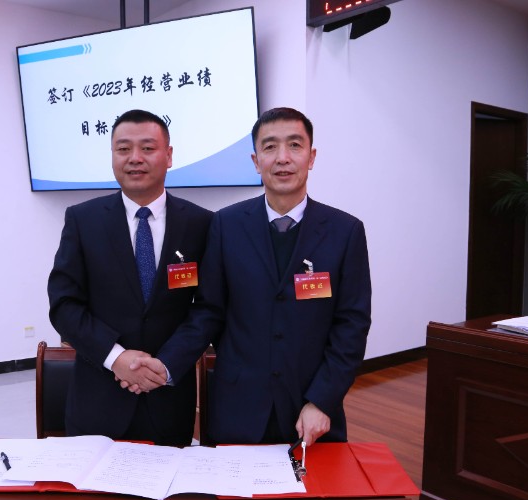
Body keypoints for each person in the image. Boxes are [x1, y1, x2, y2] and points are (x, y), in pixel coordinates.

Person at [126, 107, 372, 446]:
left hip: (310, 410)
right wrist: (165, 366)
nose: (282, 158)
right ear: (256, 161)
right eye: (270, 147)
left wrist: (322, 399)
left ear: (311, 157)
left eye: (295, 145)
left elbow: (351, 325)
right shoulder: (226, 225)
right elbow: (209, 311)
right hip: (237, 408)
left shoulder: (345, 232)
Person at [47, 109, 212, 446]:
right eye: (123, 149)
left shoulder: (201, 223)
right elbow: (64, 304)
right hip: (97, 402)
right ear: (112, 156)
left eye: (148, 148)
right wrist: (116, 357)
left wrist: (165, 365)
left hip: (169, 400)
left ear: (169, 155)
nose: (135, 158)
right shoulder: (83, 220)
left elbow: (208, 308)